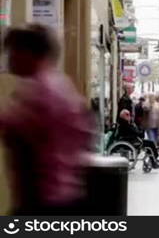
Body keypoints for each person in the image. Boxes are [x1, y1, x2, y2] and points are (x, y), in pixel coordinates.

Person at [0, 24, 94, 215]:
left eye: (13, 52)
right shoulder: (62, 85)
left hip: (44, 202)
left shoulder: (39, 92)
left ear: (28, 53)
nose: (9, 59)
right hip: (68, 196)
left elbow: (12, 124)